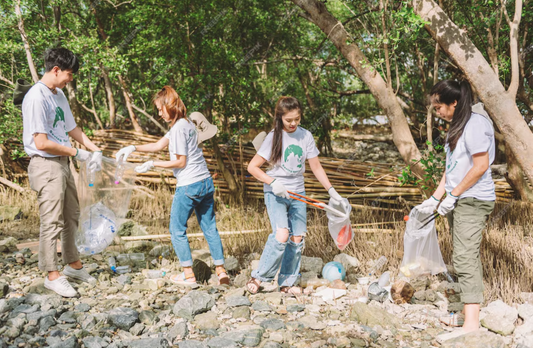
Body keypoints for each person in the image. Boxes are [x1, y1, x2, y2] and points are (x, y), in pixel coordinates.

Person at [115, 86, 229, 285]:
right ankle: (221, 271)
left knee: (176, 230)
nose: (159, 114)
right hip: (205, 181)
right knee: (210, 227)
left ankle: (188, 274)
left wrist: (153, 164)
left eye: (160, 109)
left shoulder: (177, 129)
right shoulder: (187, 123)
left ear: (170, 105)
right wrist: (133, 148)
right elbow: (158, 145)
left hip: (189, 185)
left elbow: (180, 162)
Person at [246, 96, 349, 295]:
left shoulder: (305, 136)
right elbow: (252, 167)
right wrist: (273, 182)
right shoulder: (273, 137)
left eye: (297, 119)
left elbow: (316, 167)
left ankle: (287, 282)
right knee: (282, 234)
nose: (293, 123)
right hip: (276, 193)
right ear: (280, 118)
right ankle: (259, 277)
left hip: (297, 193)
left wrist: (331, 191)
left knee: (297, 238)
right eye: (289, 120)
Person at [417, 80, 495, 336]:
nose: (436, 111)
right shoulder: (457, 127)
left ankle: (471, 325)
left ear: (455, 102)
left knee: (464, 257)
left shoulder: (475, 124)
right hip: (458, 198)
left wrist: (454, 194)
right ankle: (466, 314)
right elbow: (451, 170)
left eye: (439, 107)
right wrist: (436, 197)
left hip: (473, 199)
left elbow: (480, 166)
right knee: (462, 254)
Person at [22, 48, 102, 297]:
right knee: (52, 220)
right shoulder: (37, 97)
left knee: (71, 215)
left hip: (63, 164)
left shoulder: (58, 95)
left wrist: (92, 147)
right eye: (69, 74)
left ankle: (73, 265)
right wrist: (77, 153)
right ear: (55, 70)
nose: (71, 79)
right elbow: (41, 142)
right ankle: (51, 275)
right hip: (45, 164)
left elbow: (71, 127)